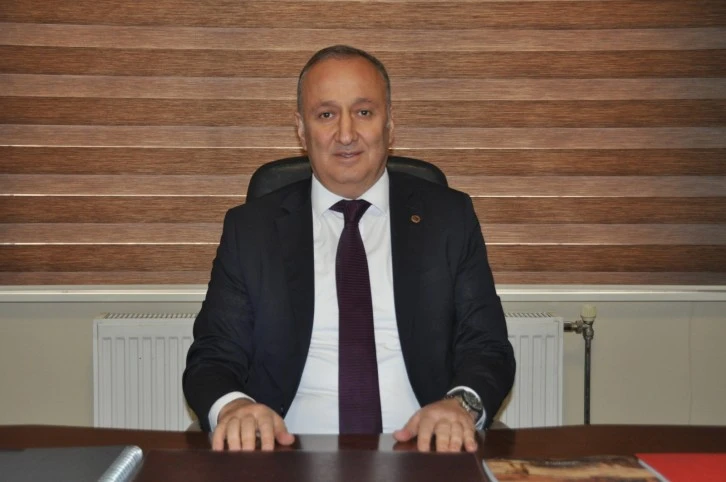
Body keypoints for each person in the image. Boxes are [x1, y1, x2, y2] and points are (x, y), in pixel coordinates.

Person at [183, 45, 515, 454]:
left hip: (423, 451)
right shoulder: (251, 230)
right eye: (326, 115)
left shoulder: (449, 218)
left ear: (389, 124)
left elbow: (487, 347)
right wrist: (234, 408)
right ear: (301, 129)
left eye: (363, 112)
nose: (345, 134)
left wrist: (459, 406)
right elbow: (213, 357)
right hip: (284, 454)